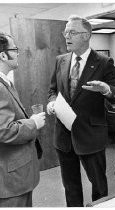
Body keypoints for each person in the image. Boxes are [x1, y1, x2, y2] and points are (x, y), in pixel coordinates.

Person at [47, 15, 115, 207]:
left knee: (98, 185)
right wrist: (51, 103)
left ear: (86, 35)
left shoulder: (104, 62)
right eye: (65, 32)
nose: (67, 36)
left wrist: (105, 89)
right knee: (70, 185)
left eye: (72, 32)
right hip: (64, 136)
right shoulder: (61, 60)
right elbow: (52, 90)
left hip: (90, 135)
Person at [0, 32, 46, 207]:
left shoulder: (5, 83)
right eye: (15, 49)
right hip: (11, 182)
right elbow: (4, 130)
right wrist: (33, 123)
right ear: (3, 55)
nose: (18, 53)